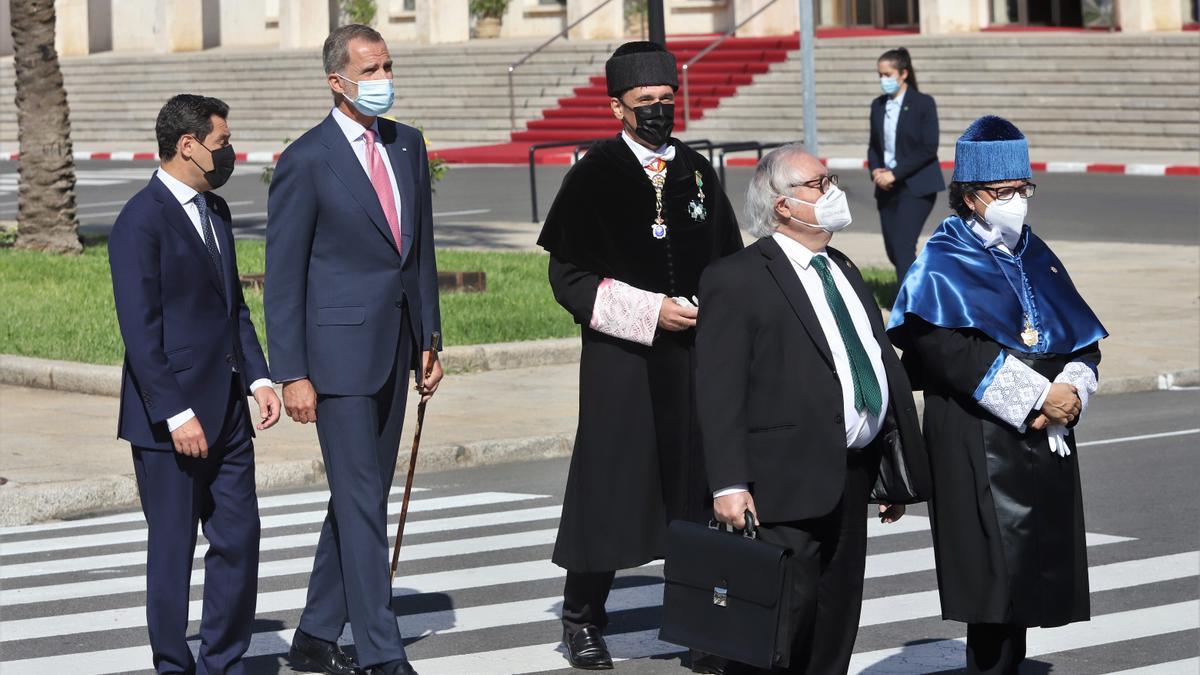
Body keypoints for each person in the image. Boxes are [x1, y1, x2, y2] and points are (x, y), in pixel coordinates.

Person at [536, 41, 744, 672]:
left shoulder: (697, 171)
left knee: (698, 488)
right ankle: (582, 619)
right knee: (610, 484)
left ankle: (703, 624)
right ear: (616, 108)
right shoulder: (594, 174)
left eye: (665, 100)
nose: (658, 112)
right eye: (644, 103)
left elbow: (728, 259)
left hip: (693, 359)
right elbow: (567, 278)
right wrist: (650, 311)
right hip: (622, 362)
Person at [694, 144, 929, 674]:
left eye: (832, 180)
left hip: (850, 472)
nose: (834, 192)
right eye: (820, 184)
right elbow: (718, 389)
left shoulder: (841, 266)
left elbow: (868, 360)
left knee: (835, 621)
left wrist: (892, 466)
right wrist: (728, 484)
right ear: (782, 204)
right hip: (782, 484)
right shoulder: (738, 277)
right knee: (780, 627)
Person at [886, 116, 1107, 675]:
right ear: (968, 196)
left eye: (1021, 190)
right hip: (977, 434)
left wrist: (1072, 388)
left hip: (1043, 437)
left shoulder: (1034, 250)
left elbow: (1080, 336)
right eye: (1002, 193)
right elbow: (941, 349)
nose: (1015, 202)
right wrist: (1037, 397)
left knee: (1032, 575)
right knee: (991, 582)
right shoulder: (942, 257)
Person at [264, 23, 443, 675]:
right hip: (335, 360)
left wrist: (430, 338)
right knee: (364, 498)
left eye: (387, 67)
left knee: (358, 494)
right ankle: (380, 649)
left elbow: (418, 252)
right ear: (336, 80)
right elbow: (282, 278)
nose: (382, 81)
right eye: (369, 71)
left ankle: (314, 635)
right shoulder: (307, 159)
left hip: (398, 349)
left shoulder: (408, 145)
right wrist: (292, 373)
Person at [109, 93, 281, 675]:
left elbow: (233, 309)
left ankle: (224, 663)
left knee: (239, 539)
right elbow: (140, 331)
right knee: (173, 552)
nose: (230, 151)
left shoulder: (216, 211)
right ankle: (173, 666)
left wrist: (258, 376)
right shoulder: (140, 220)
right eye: (222, 142)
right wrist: (175, 413)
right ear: (188, 146)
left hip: (229, 411)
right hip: (173, 423)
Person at [867, 47, 945, 281]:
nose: (883, 80)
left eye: (887, 75)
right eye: (880, 75)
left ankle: (908, 306)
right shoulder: (878, 105)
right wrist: (875, 171)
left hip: (916, 186)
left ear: (903, 74)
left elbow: (929, 148)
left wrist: (895, 173)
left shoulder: (923, 103)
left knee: (903, 245)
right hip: (886, 187)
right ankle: (925, 287)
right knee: (894, 250)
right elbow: (873, 145)